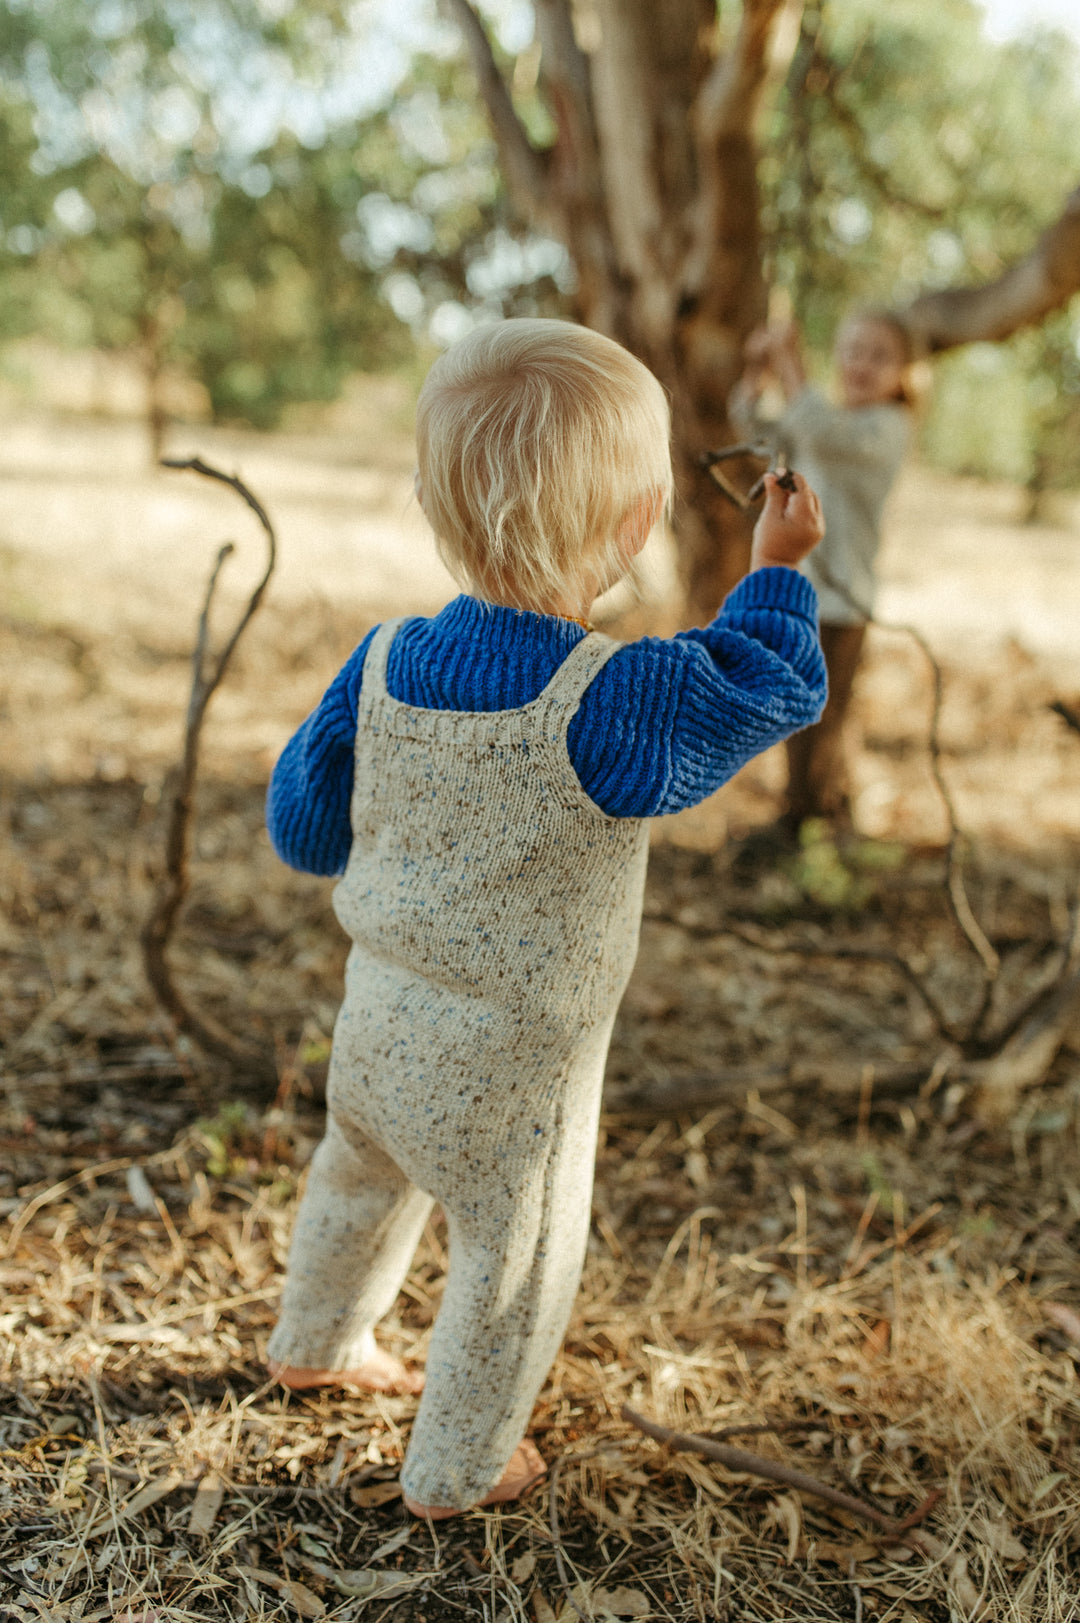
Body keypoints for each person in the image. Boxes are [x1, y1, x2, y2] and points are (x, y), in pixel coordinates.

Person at [264, 318, 827, 1518]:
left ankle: (315, 1340)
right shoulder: (618, 699)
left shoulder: (378, 663)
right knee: (513, 1265)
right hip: (512, 1084)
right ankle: (461, 1466)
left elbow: (304, 829)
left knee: (354, 1181)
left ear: (430, 501)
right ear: (636, 526)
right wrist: (774, 573)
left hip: (374, 1035)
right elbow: (764, 682)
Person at [731, 309, 917, 826]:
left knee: (823, 716)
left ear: (904, 371)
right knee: (794, 711)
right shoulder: (824, 419)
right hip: (804, 591)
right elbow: (757, 426)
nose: (861, 365)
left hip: (843, 602)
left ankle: (810, 823)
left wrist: (789, 360)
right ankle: (805, 816)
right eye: (853, 351)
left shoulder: (887, 428)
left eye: (879, 356)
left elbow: (816, 424)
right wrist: (757, 371)